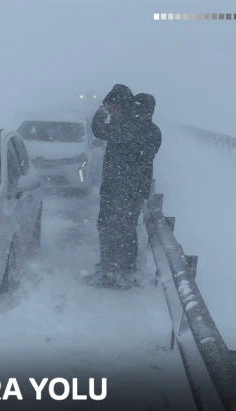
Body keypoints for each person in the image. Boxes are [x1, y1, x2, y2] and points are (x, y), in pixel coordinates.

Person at [86, 86, 162, 289]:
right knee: (121, 229)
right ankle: (115, 270)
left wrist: (101, 110)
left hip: (122, 188)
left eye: (115, 107)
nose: (113, 111)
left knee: (116, 229)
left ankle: (118, 273)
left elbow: (99, 130)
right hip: (128, 188)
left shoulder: (133, 128)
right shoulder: (149, 130)